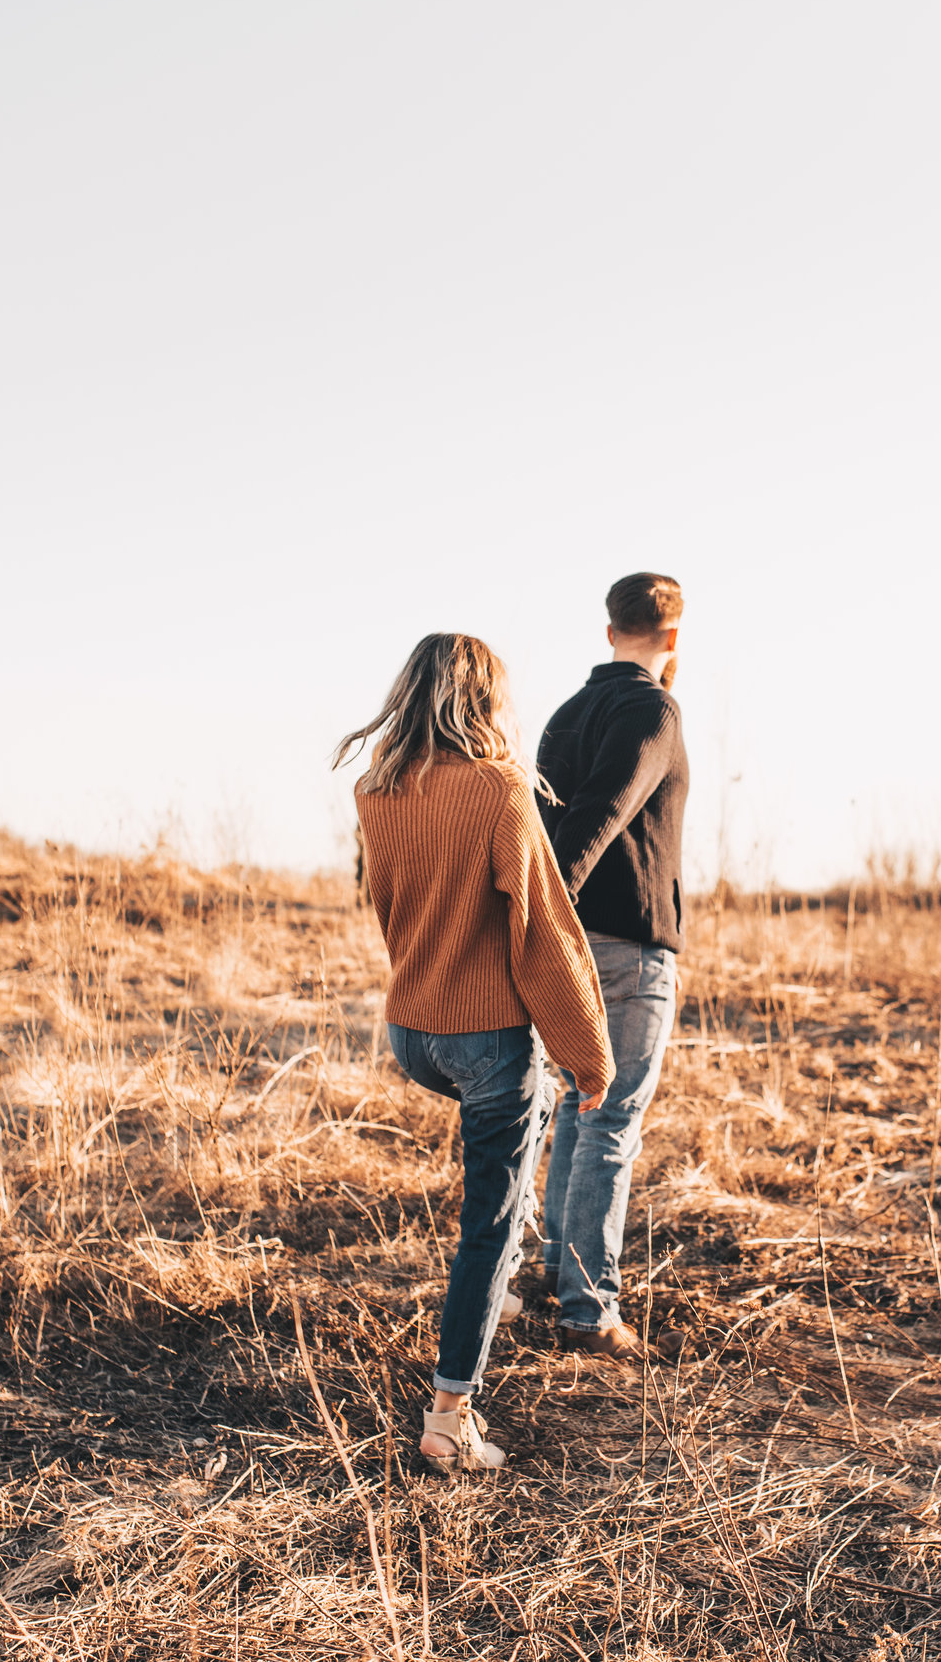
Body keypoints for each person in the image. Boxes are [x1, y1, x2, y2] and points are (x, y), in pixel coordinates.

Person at [336, 633, 614, 1472]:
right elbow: (545, 931)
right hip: (485, 1036)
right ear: (485, 698)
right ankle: (449, 1418)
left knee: (500, 1180)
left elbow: (388, 907)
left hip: (412, 1030)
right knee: (487, 1226)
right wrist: (588, 1052)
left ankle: (516, 1206)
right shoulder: (501, 789)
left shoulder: (376, 791)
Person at [530, 573, 689, 1358]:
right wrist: (559, 899)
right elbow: (606, 810)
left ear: (608, 631)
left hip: (569, 940)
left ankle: (561, 1278)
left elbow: (540, 818)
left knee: (577, 1106)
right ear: (673, 636)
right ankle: (589, 1310)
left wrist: (541, 918)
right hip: (623, 942)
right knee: (609, 1118)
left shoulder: (565, 715)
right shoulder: (652, 708)